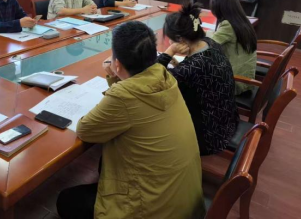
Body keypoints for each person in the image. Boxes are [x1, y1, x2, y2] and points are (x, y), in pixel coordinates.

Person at [57, 21, 205, 220]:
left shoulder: (124, 96)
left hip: (152, 210)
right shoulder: (165, 77)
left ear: (117, 64)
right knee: (106, 160)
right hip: (184, 203)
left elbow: (85, 130)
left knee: (66, 200)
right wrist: (117, 78)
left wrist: (114, 79)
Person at [157, 3, 239, 156]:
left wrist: (169, 52)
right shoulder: (210, 43)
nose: (169, 42)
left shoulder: (192, 67)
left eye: (170, 40)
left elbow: (153, 80)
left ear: (180, 40)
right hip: (227, 119)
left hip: (209, 136)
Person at [210, 0, 258, 95]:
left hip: (234, 82)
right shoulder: (242, 20)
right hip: (245, 79)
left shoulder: (228, 25)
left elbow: (208, 45)